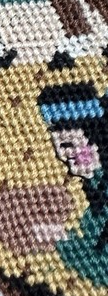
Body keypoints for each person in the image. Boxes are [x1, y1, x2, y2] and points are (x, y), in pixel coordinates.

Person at [37, 81, 108, 284]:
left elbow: (97, 262)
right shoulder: (95, 189)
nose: (64, 155)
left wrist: (61, 240)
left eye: (69, 144)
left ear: (95, 138)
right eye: (59, 147)